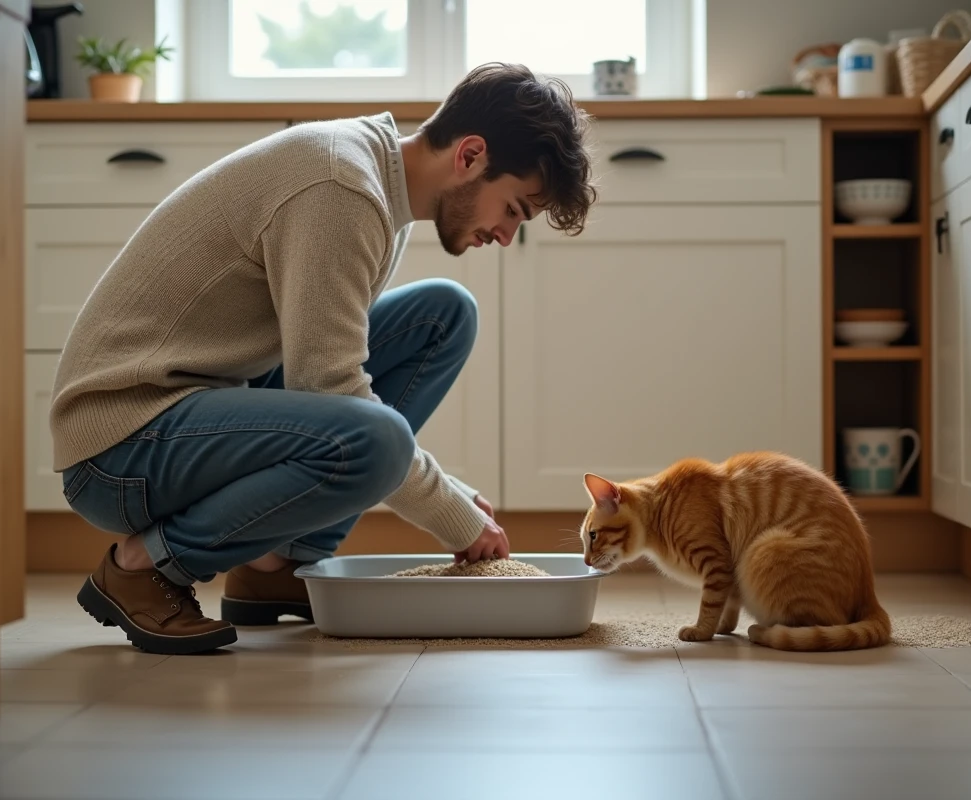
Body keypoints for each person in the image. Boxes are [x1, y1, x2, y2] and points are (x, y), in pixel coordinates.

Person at [48, 62, 597, 655]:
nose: (506, 235)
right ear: (469, 156)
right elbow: (331, 390)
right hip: (121, 445)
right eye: (513, 209)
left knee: (443, 315)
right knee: (377, 439)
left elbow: (324, 375)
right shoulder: (342, 186)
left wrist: (449, 493)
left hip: (189, 413)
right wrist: (454, 511)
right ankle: (142, 565)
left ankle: (274, 567)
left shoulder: (376, 181)